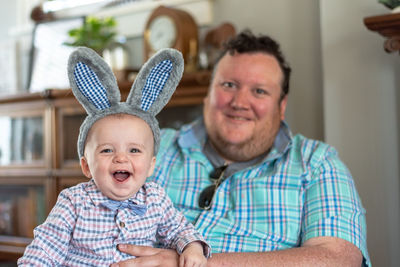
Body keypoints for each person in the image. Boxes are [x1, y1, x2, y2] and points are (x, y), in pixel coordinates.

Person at [112, 30, 371, 267]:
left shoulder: (317, 164)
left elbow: (338, 258)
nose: (239, 102)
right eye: (229, 85)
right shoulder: (153, 145)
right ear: (208, 94)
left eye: (259, 91)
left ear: (281, 107)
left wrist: (192, 263)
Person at [18, 47, 210, 266]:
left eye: (134, 150)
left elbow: (180, 230)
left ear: (150, 166)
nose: (121, 158)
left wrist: (192, 247)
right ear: (87, 166)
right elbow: (45, 249)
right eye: (107, 150)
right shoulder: (74, 202)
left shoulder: (155, 199)